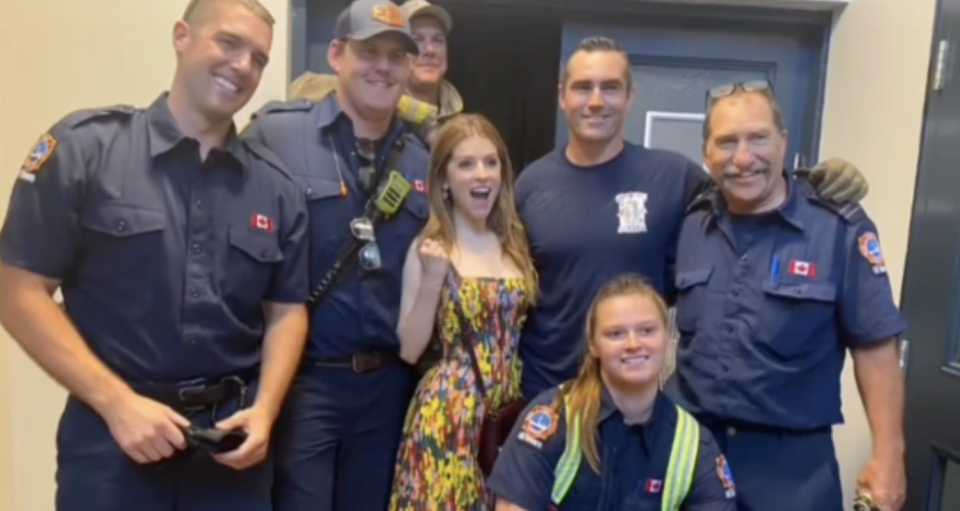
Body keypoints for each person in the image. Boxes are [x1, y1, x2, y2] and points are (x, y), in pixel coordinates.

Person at [0, 1, 309, 510]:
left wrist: (267, 410)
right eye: (228, 43)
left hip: (230, 447)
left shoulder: (276, 189)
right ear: (182, 36)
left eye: (258, 58)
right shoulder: (88, 150)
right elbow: (19, 292)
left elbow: (287, 311)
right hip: (110, 440)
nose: (243, 67)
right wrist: (116, 403)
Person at [514, 36, 872, 401]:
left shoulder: (673, 176)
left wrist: (819, 180)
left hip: (632, 399)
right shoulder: (530, 184)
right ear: (562, 96)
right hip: (546, 393)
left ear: (629, 97)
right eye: (582, 87)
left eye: (610, 87)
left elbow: (751, 185)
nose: (595, 100)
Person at [664, 80, 907, 511]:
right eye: (726, 142)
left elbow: (875, 345)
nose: (743, 158)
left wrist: (889, 455)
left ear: (783, 142)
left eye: (758, 138)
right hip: (690, 457)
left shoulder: (838, 228)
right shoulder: (689, 223)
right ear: (706, 153)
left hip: (792, 472)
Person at [240, 1, 430, 509]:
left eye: (396, 56)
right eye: (369, 52)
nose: (383, 67)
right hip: (306, 382)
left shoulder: (424, 159)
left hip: (389, 388)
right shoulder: (278, 134)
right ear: (336, 55)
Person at [488, 274, 737, 511]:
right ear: (593, 345)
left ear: (668, 338)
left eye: (647, 330)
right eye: (615, 334)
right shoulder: (552, 418)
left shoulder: (693, 445)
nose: (633, 344)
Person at [389, 114, 537, 511]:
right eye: (466, 164)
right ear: (443, 179)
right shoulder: (430, 247)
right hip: (448, 412)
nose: (482, 175)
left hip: (504, 412)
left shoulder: (514, 242)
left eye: (491, 162)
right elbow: (409, 349)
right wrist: (434, 279)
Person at [288, 0, 463, 144]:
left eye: (438, 40)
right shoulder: (374, 99)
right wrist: (421, 118)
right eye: (417, 40)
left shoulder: (460, 122)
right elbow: (303, 87)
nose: (430, 50)